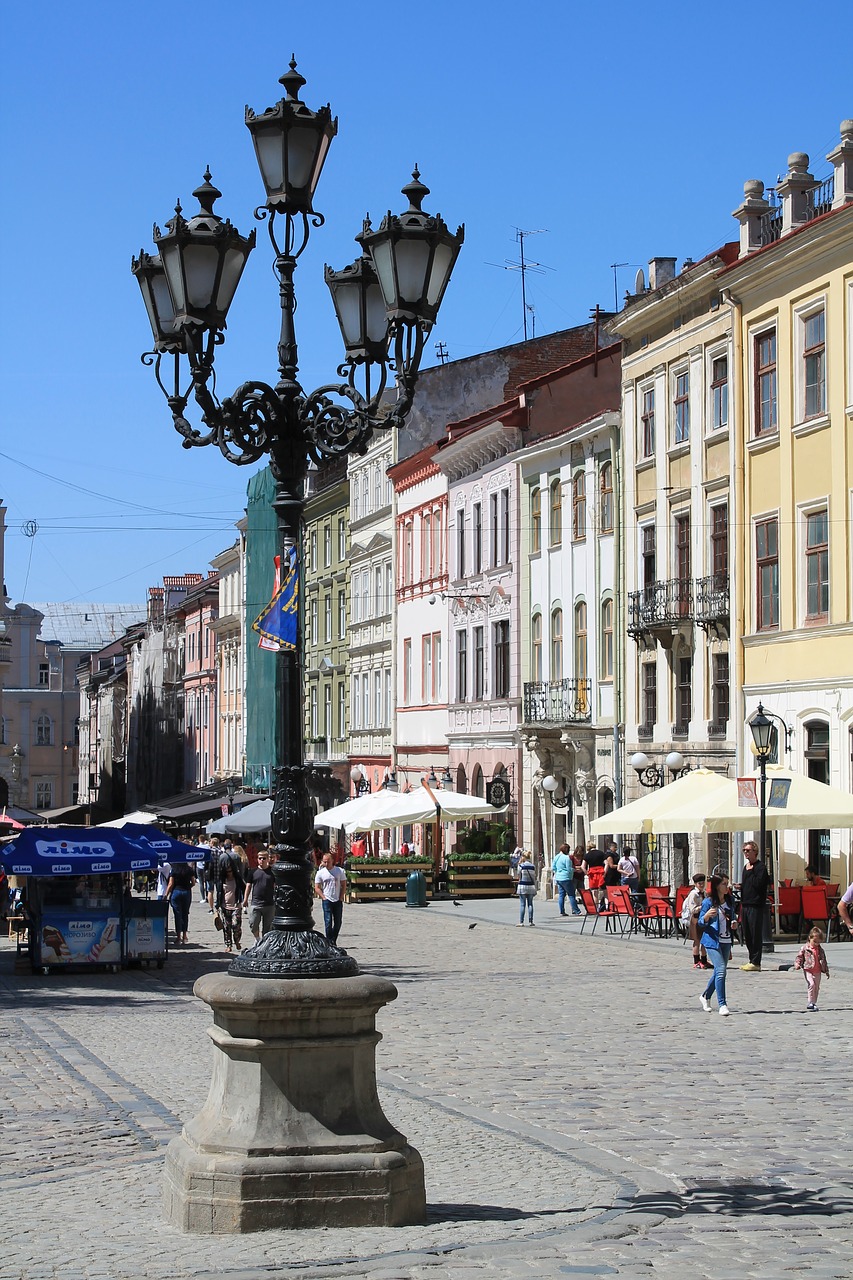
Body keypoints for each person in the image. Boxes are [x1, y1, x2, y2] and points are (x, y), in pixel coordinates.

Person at [698, 873, 735, 1016]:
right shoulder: (708, 902)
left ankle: (705, 996)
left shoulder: (730, 900)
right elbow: (701, 922)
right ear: (717, 886)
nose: (727, 886)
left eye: (727, 883)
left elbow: (732, 917)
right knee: (721, 970)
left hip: (726, 940)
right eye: (724, 884)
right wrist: (707, 916)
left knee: (720, 971)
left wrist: (734, 923)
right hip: (712, 940)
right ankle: (722, 1004)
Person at [739, 840, 769, 972]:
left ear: (755, 852)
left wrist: (751, 873)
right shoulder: (746, 867)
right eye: (744, 850)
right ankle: (751, 959)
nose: (746, 853)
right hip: (745, 903)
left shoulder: (760, 867)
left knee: (755, 933)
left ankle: (756, 961)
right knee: (747, 934)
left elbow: (759, 884)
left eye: (748, 850)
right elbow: (748, 884)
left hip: (756, 904)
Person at [215, 844, 246, 953]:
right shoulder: (221, 881)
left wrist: (244, 901)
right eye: (227, 872)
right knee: (226, 927)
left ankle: (237, 940)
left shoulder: (238, 880)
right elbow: (219, 893)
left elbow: (245, 888)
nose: (229, 873)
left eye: (230, 871)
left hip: (236, 905)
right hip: (225, 906)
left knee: (235, 925)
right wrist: (217, 905)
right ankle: (228, 945)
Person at [243, 849, 277, 941]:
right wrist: (245, 899)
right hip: (256, 903)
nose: (261, 860)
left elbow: (276, 886)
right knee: (253, 923)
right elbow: (248, 886)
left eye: (264, 858)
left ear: (267, 859)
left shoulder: (272, 872)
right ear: (257, 859)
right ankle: (258, 939)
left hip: (269, 904)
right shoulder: (253, 872)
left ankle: (264, 943)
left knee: (268, 927)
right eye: (260, 858)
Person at [794, 926, 830, 1011]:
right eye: (815, 941)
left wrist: (826, 970)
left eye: (818, 942)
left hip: (817, 970)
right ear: (810, 938)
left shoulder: (820, 950)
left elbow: (824, 960)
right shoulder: (805, 948)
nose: (816, 944)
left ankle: (814, 1002)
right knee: (811, 984)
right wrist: (797, 964)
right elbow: (799, 957)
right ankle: (810, 1002)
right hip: (808, 969)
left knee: (816, 987)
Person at [314, 852, 347, 945]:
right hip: (327, 899)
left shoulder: (339, 871)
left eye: (328, 861)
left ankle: (333, 939)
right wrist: (323, 897)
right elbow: (317, 887)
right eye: (324, 862)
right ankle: (329, 941)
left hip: (337, 899)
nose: (326, 864)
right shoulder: (320, 873)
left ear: (332, 861)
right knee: (328, 922)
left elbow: (344, 884)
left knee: (338, 922)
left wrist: (341, 897)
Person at [681, 873, 711, 969]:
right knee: (697, 940)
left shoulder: (704, 893)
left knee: (704, 941)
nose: (701, 885)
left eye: (703, 883)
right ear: (695, 884)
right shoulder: (693, 894)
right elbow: (692, 909)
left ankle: (704, 960)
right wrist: (702, 907)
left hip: (703, 918)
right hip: (695, 918)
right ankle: (696, 960)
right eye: (699, 883)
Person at [165, 861, 197, 946]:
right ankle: (185, 936)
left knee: (177, 915)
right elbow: (193, 883)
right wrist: (188, 887)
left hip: (176, 892)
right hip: (186, 892)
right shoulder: (189, 870)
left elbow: (170, 884)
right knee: (185, 914)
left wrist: (166, 894)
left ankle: (178, 937)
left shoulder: (174, 870)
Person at [552, 843, 581, 916]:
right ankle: (577, 910)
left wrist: (558, 871)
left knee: (561, 895)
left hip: (558, 878)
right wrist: (574, 870)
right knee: (571, 895)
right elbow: (569, 869)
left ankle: (562, 911)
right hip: (566, 878)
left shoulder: (556, 857)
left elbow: (553, 868)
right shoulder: (566, 858)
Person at [516, 850, 536, 926]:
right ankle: (531, 921)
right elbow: (534, 877)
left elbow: (519, 876)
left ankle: (521, 922)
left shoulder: (521, 866)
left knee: (522, 904)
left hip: (522, 886)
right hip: (530, 886)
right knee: (530, 904)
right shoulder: (532, 866)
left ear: (523, 857)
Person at [585, 840, 606, 906]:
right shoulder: (601, 853)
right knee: (605, 892)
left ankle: (596, 908)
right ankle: (608, 908)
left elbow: (583, 866)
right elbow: (607, 863)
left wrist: (587, 873)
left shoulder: (587, 855)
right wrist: (604, 872)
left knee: (595, 892)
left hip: (592, 874)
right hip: (601, 872)